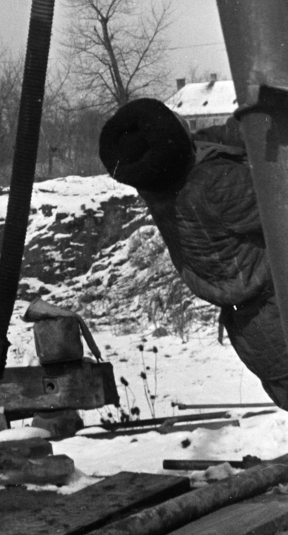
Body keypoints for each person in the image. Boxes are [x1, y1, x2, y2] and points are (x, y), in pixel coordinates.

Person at [99, 98, 288, 409]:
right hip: (277, 324)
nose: (181, 117)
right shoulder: (210, 186)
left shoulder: (160, 178)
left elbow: (217, 141)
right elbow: (279, 197)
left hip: (256, 331)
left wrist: (252, 121)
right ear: (177, 141)